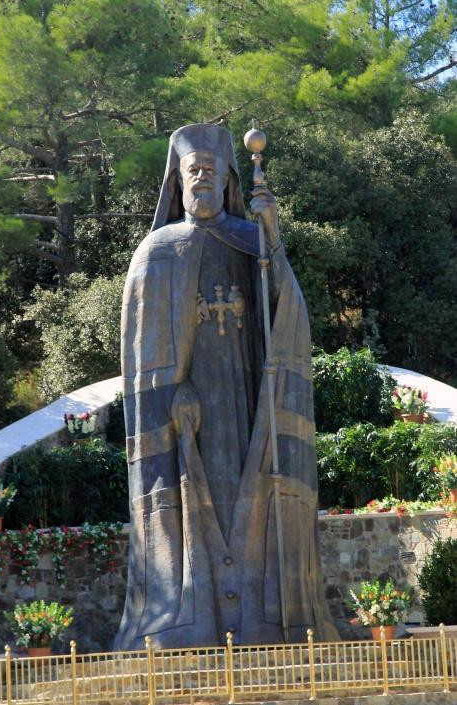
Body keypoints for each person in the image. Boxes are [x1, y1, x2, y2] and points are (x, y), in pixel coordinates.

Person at [114, 124, 337, 650]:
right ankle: (191, 621)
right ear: (179, 182)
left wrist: (272, 236)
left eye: (211, 171)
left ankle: (268, 622)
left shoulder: (251, 241)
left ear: (227, 180)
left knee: (253, 495)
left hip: (248, 404)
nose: (202, 180)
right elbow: (143, 359)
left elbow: (290, 320)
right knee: (199, 502)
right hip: (189, 416)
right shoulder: (157, 251)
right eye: (194, 171)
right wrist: (174, 396)